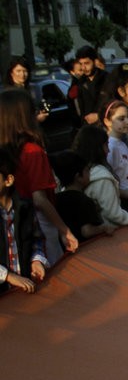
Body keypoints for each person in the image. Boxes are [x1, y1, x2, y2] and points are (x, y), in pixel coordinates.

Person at [0, 89, 78, 263]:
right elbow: (40, 199)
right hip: (39, 223)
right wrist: (64, 230)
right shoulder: (32, 151)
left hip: (13, 222)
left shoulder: (5, 150)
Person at [71, 125, 128, 232]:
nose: (108, 150)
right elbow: (113, 213)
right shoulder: (102, 178)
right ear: (96, 149)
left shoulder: (82, 171)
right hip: (112, 234)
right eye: (106, 145)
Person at [0, 145, 47, 294]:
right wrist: (8, 276)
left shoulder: (25, 208)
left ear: (8, 180)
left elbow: (36, 239)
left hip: (24, 288)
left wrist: (36, 261)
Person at [50, 150, 113, 241]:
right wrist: (104, 228)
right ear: (78, 177)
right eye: (87, 170)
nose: (89, 174)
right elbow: (87, 231)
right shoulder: (84, 201)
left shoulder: (56, 199)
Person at [3, 56, 47, 124]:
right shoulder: (7, 92)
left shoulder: (33, 88)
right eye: (18, 71)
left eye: (25, 71)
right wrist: (35, 120)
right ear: (11, 73)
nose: (22, 74)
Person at [76, 45, 108, 125]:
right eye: (81, 64)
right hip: (89, 127)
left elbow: (114, 103)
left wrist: (99, 116)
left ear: (95, 61)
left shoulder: (107, 78)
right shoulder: (81, 82)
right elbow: (81, 107)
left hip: (106, 125)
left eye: (86, 63)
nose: (83, 67)